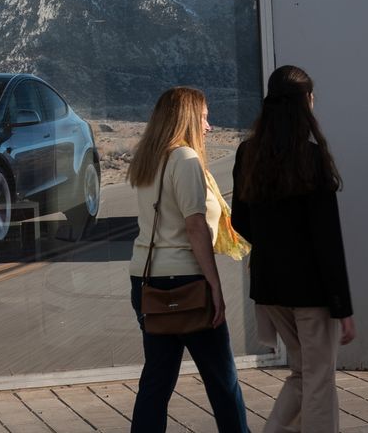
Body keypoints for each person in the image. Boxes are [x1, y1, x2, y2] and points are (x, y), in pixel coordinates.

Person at [231, 65, 352, 433]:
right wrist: (343, 307)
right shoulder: (311, 158)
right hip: (311, 291)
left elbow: (239, 221)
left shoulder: (247, 153)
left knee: (303, 372)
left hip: (270, 288)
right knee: (318, 377)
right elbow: (327, 240)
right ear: (305, 104)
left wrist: (272, 243)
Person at [128, 86, 249, 433]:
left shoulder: (147, 159)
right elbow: (195, 225)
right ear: (187, 120)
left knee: (156, 381)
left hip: (146, 279)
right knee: (223, 381)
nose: (209, 127)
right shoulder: (185, 159)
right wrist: (214, 285)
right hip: (186, 281)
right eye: (204, 118)